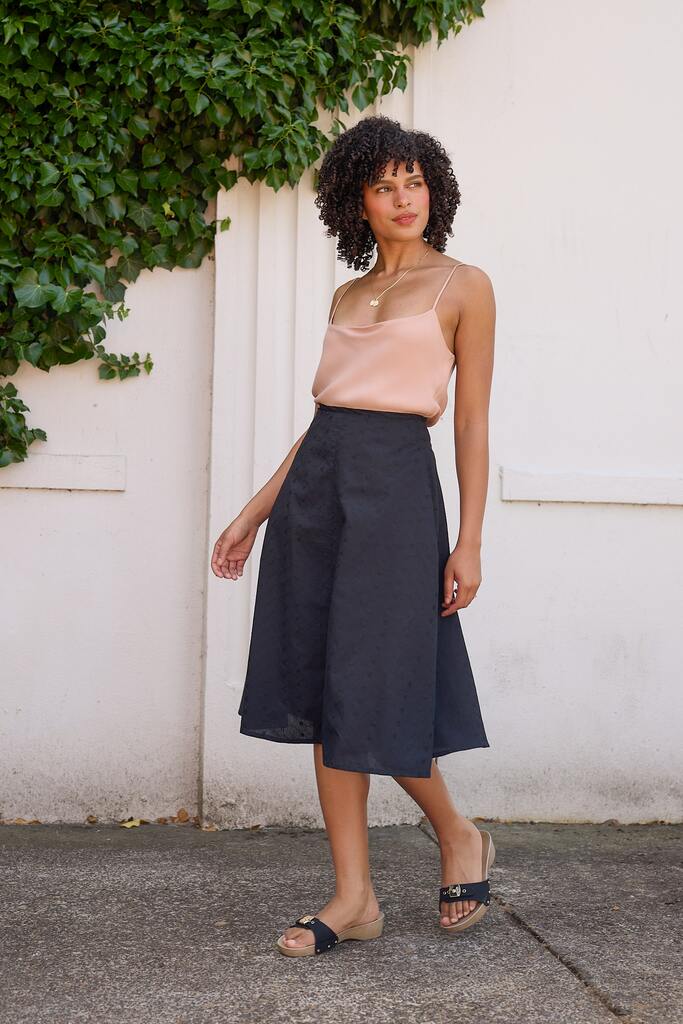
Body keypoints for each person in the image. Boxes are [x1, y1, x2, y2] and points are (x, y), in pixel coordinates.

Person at [211, 115, 496, 957]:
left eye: (414, 181)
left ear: (432, 188)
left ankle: (457, 833)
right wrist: (255, 510)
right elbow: (324, 418)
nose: (403, 198)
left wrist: (469, 540)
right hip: (317, 494)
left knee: (375, 684)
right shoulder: (347, 297)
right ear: (356, 202)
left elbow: (472, 420)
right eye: (384, 185)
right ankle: (354, 896)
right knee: (327, 688)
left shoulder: (463, 286)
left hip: (397, 494)